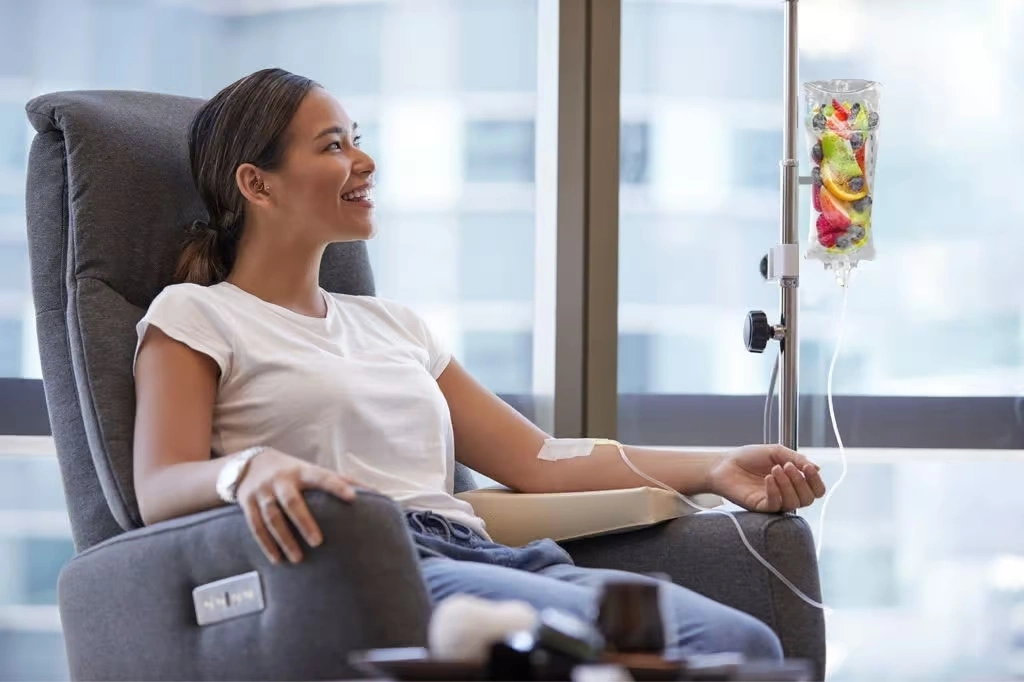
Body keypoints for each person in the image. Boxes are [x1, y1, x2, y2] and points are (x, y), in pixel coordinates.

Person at [132, 67, 826, 662]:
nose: (364, 163)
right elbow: (159, 484)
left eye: (358, 141)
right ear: (258, 183)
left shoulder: (393, 325)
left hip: (483, 553)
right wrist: (248, 467)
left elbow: (538, 458)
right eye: (333, 146)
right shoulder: (197, 315)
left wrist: (712, 467)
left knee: (742, 644)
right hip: (365, 566)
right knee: (672, 650)